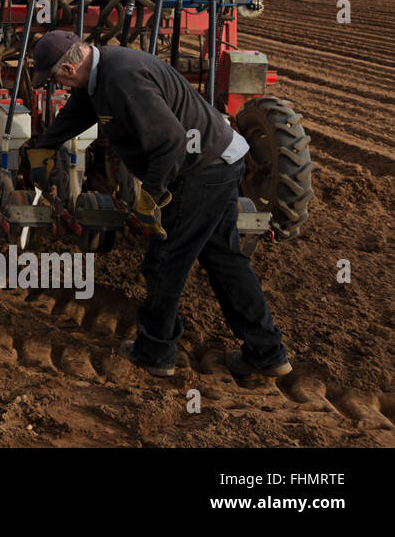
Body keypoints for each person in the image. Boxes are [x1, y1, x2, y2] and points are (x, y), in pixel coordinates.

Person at [23, 30, 291, 379]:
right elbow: (82, 107)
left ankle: (155, 352)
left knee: (165, 261)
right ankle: (267, 352)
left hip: (201, 169)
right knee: (224, 258)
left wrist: (151, 194)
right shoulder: (103, 69)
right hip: (219, 160)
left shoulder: (121, 78)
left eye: (56, 78)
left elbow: (171, 142)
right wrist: (47, 144)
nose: (58, 85)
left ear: (69, 69)